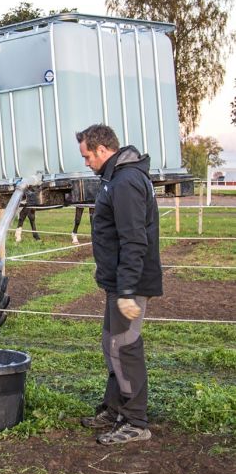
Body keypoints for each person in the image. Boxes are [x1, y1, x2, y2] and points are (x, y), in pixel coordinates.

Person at [75, 124, 162, 445]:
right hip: (120, 282)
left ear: (102, 150)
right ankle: (115, 408)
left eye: (87, 156)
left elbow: (134, 241)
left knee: (125, 346)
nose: (86, 162)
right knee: (112, 344)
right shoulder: (116, 178)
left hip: (131, 283)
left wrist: (127, 291)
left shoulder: (125, 182)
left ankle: (136, 420)